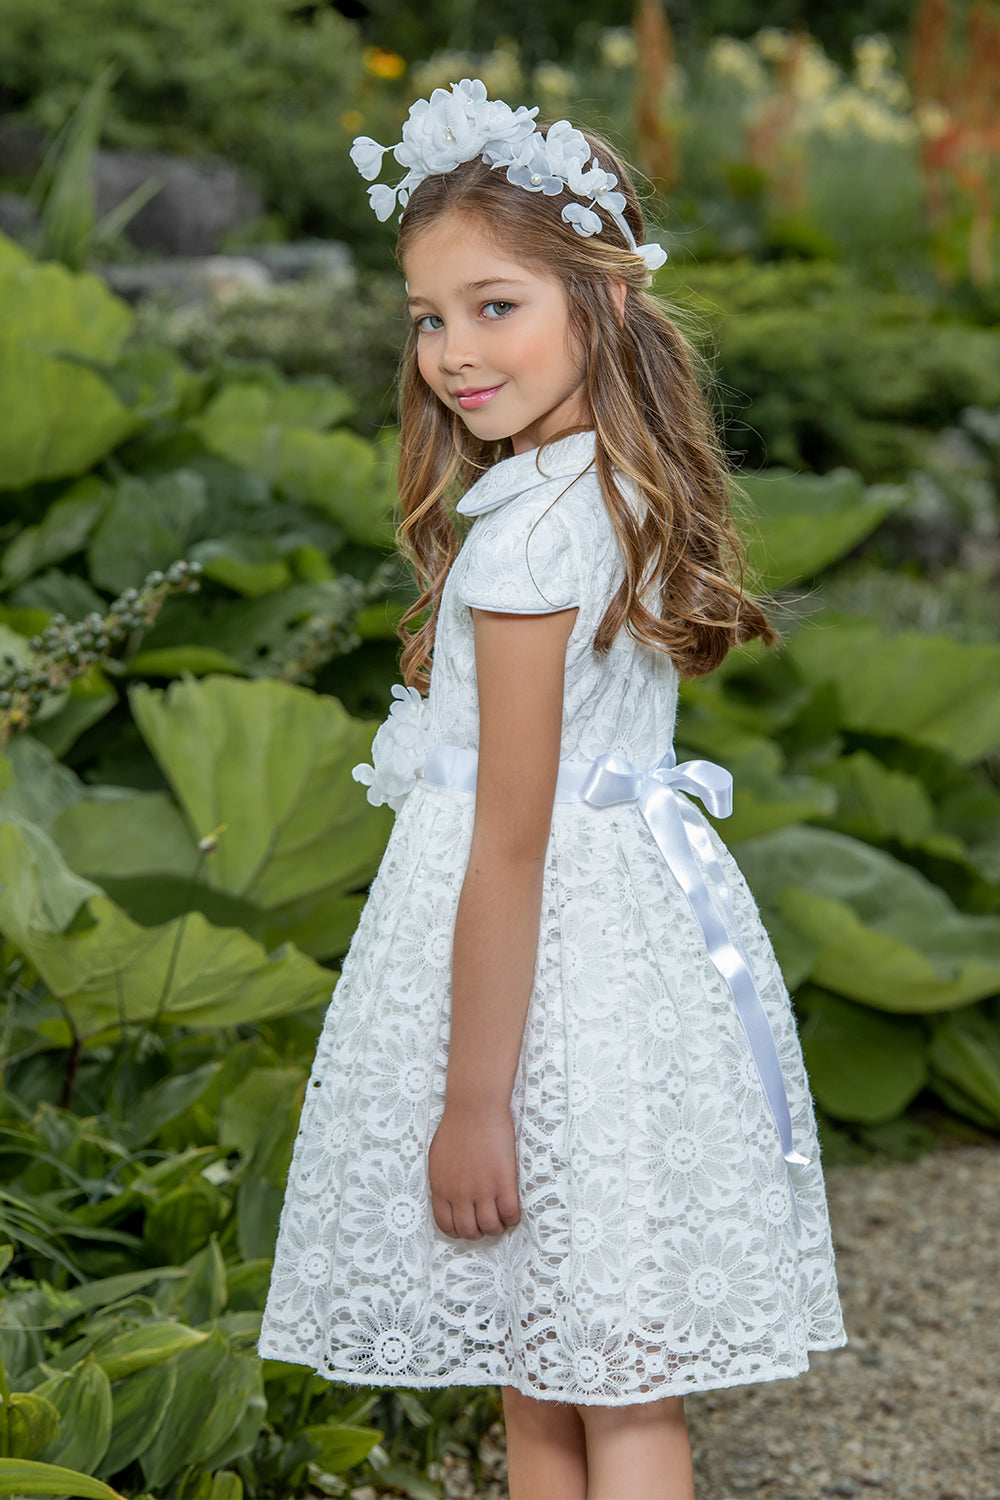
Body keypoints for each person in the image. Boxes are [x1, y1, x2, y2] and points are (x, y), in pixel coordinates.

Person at [258, 78, 846, 1500]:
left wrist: (473, 1103)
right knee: (567, 1365)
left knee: (594, 1385)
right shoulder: (599, 493)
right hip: (619, 961)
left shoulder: (529, 544)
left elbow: (510, 841)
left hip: (539, 994)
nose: (454, 351)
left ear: (605, 300)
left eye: (495, 305)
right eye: (428, 316)